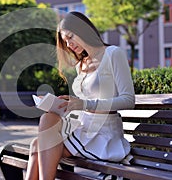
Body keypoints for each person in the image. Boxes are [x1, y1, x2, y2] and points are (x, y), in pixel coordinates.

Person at [25, 11, 135, 180]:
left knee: (38, 145)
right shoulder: (81, 65)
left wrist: (84, 104)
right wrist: (68, 105)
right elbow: (84, 104)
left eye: (70, 37)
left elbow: (128, 100)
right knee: (44, 126)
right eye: (65, 41)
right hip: (82, 127)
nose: (68, 44)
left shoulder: (113, 54)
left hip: (103, 133)